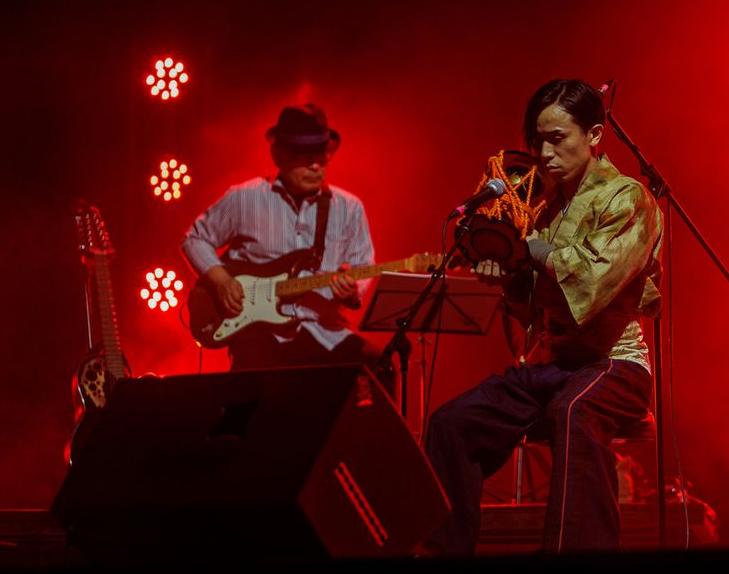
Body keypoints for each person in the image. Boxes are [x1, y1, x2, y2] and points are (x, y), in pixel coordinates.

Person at [422, 79, 663, 554]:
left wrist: (527, 248)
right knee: (452, 423)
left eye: (558, 138)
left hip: (615, 364)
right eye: (538, 141)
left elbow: (592, 283)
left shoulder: (628, 198)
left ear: (594, 135)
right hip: (555, 366)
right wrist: (507, 273)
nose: (545, 153)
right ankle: (442, 552)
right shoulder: (544, 207)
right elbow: (533, 305)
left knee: (572, 412)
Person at [180, 103, 395, 395]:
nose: (316, 165)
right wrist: (220, 280)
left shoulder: (349, 207)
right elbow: (195, 239)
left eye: (321, 155)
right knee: (256, 391)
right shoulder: (244, 197)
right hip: (259, 332)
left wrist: (352, 287)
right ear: (278, 156)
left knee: (380, 366)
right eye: (305, 157)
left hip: (324, 330)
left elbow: (361, 265)